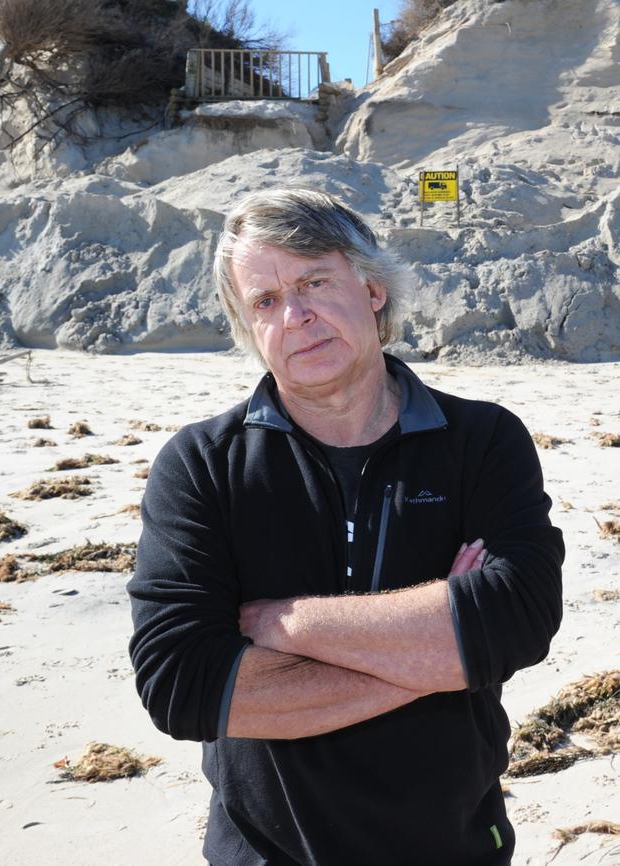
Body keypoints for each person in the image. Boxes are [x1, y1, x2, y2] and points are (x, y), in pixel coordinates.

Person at [127, 188, 564, 866]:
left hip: (456, 847)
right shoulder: (201, 466)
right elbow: (182, 687)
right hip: (266, 855)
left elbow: (518, 621)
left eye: (314, 282)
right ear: (246, 327)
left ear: (372, 288)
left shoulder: (482, 440)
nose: (296, 317)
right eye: (265, 302)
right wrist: (439, 653)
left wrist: (281, 624)